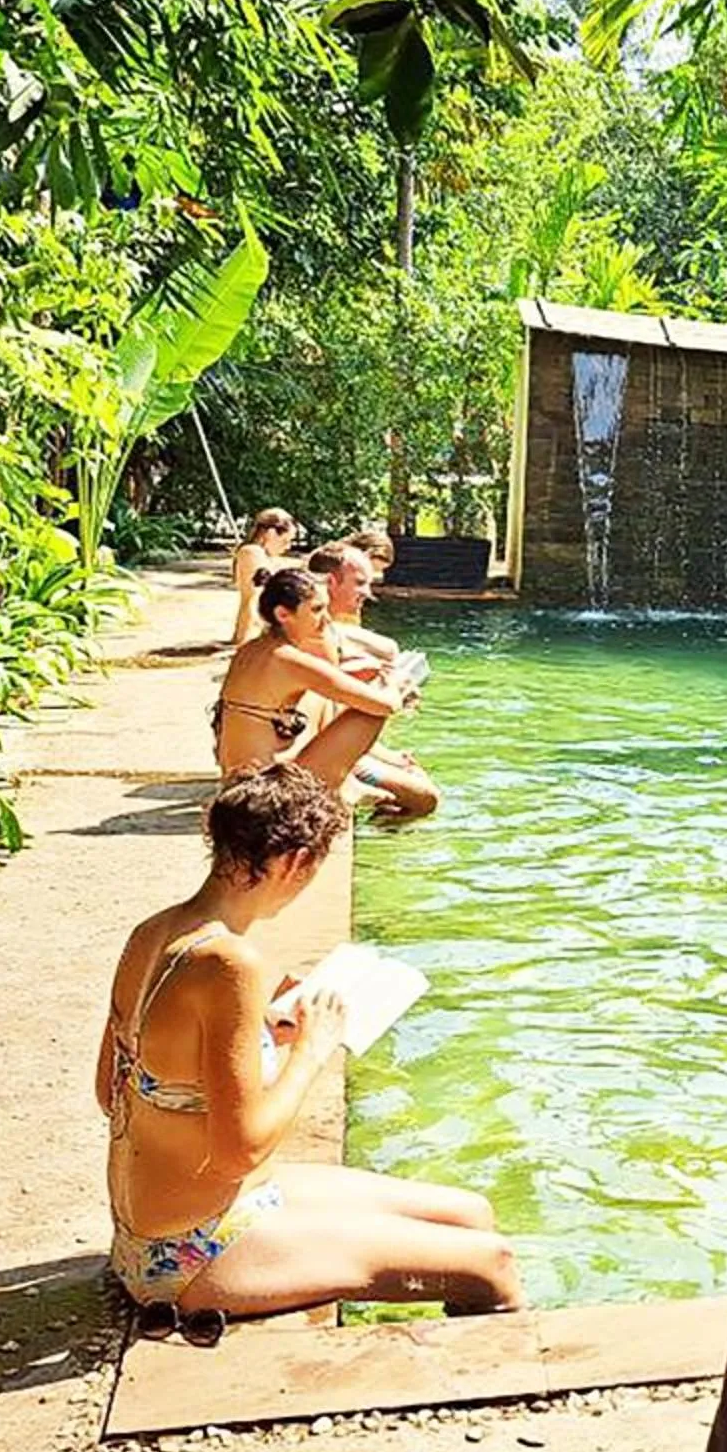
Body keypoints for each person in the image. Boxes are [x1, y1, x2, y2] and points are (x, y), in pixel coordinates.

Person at [99, 765, 521, 1320]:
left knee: (470, 1213)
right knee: (494, 1263)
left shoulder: (155, 933)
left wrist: (256, 1037)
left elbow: (111, 1091)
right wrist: (311, 1050)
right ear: (297, 862)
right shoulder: (232, 964)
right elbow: (237, 1153)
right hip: (189, 1255)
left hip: (150, 1234)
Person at [212, 567, 409, 792]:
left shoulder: (253, 649)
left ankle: (354, 779)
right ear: (283, 615)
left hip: (240, 782)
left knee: (335, 696)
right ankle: (350, 784)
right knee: (371, 710)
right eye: (317, 609)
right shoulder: (289, 660)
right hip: (268, 788)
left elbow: (327, 676)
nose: (326, 619)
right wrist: (393, 682)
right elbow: (387, 705)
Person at [305, 544, 440, 821]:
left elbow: (334, 715)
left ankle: (377, 827)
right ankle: (370, 813)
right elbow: (378, 705)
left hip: (327, 747)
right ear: (331, 582)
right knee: (425, 799)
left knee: (414, 776)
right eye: (360, 583)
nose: (368, 593)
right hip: (313, 760)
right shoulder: (314, 640)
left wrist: (387, 755)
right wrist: (394, 686)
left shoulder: (327, 634)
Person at [228, 508, 299, 645]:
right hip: (252, 634)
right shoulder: (253, 553)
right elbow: (253, 598)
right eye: (286, 541)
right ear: (271, 534)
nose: (288, 547)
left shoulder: (261, 555)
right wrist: (245, 640)